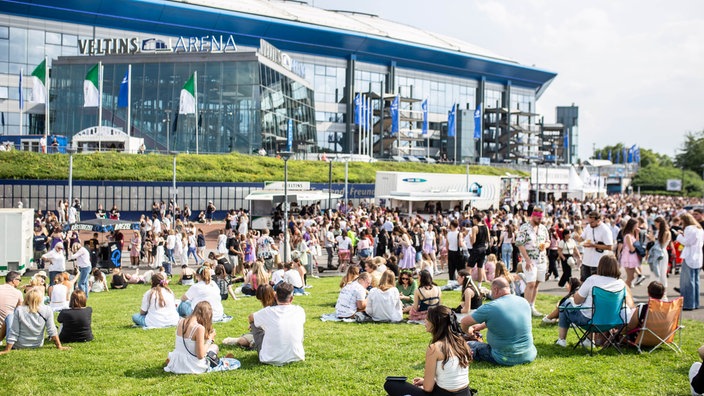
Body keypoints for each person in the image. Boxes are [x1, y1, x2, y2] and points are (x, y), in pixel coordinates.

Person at [384, 305, 473, 396]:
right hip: (465, 393)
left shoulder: (435, 348)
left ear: (436, 323)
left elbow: (428, 388)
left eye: (427, 319)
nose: (425, 321)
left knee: (390, 384)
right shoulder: (461, 342)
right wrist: (425, 381)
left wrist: (425, 384)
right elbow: (450, 377)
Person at [554, 255, 635, 348]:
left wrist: (574, 295)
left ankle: (561, 340)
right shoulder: (620, 283)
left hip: (588, 321)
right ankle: (588, 340)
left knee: (564, 305)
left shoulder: (592, 280)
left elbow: (576, 301)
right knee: (593, 309)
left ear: (600, 267)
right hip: (612, 321)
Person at [460, 277, 537, 366]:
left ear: (495, 290)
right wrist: (481, 326)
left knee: (467, 344)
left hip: (504, 357)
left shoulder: (491, 307)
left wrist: (468, 332)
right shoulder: (523, 301)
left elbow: (464, 322)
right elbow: (505, 320)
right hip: (528, 354)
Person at [164, 301, 239, 374]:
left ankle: (171, 360)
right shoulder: (199, 328)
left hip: (178, 362)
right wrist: (210, 339)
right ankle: (220, 361)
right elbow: (200, 355)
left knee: (211, 347)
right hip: (192, 366)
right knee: (214, 347)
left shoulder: (181, 321)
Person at [249, 282, 306, 366]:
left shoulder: (267, 311)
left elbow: (250, 317)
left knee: (254, 322)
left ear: (275, 296)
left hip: (269, 358)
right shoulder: (300, 310)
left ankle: (258, 344)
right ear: (291, 299)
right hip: (297, 356)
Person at [0, 289, 70, 353]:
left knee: (9, 317)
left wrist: (7, 349)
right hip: (37, 344)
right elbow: (52, 330)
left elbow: (14, 332)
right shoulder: (47, 309)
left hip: (19, 345)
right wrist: (59, 346)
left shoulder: (19, 310)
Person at [515, 207, 549, 317]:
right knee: (530, 283)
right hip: (529, 259)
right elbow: (520, 244)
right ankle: (526, 308)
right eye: (538, 218)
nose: (540, 220)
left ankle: (532, 306)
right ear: (533, 216)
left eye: (541, 218)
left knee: (537, 283)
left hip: (541, 259)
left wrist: (546, 246)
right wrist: (527, 260)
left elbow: (548, 241)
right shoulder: (525, 228)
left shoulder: (543, 228)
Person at [574, 211, 614, 281]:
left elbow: (609, 247)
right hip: (586, 261)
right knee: (584, 283)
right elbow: (582, 238)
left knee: (596, 285)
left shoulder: (605, 230)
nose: (590, 224)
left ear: (598, 220)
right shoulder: (589, 227)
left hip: (598, 263)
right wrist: (578, 238)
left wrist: (593, 245)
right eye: (589, 222)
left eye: (592, 222)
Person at [675, 213, 703, 311]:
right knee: (695, 281)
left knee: (687, 282)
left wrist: (679, 236)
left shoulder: (689, 229)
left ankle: (688, 304)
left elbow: (687, 242)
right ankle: (695, 303)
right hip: (697, 257)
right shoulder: (699, 229)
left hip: (689, 257)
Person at [647, 217, 671, 295]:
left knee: (661, 273)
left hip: (661, 253)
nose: (655, 225)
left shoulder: (665, 232)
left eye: (656, 224)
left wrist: (653, 239)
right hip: (658, 252)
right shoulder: (660, 231)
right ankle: (658, 291)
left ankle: (663, 292)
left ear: (659, 223)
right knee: (656, 272)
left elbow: (661, 244)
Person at [0, 271, 23, 342]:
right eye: (19, 280)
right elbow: (19, 311)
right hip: (6, 326)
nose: (20, 282)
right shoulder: (18, 293)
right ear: (14, 280)